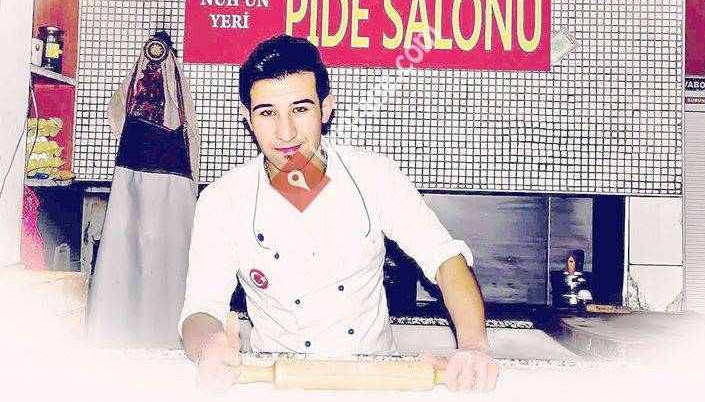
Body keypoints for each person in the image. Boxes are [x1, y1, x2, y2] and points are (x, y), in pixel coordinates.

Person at [179, 34, 499, 393]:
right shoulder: (223, 201)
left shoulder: (374, 176)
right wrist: (208, 346)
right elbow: (201, 307)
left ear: (326, 108)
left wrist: (473, 345)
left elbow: (443, 258)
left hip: (377, 381)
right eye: (267, 112)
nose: (285, 132)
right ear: (247, 117)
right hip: (280, 382)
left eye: (300, 109)